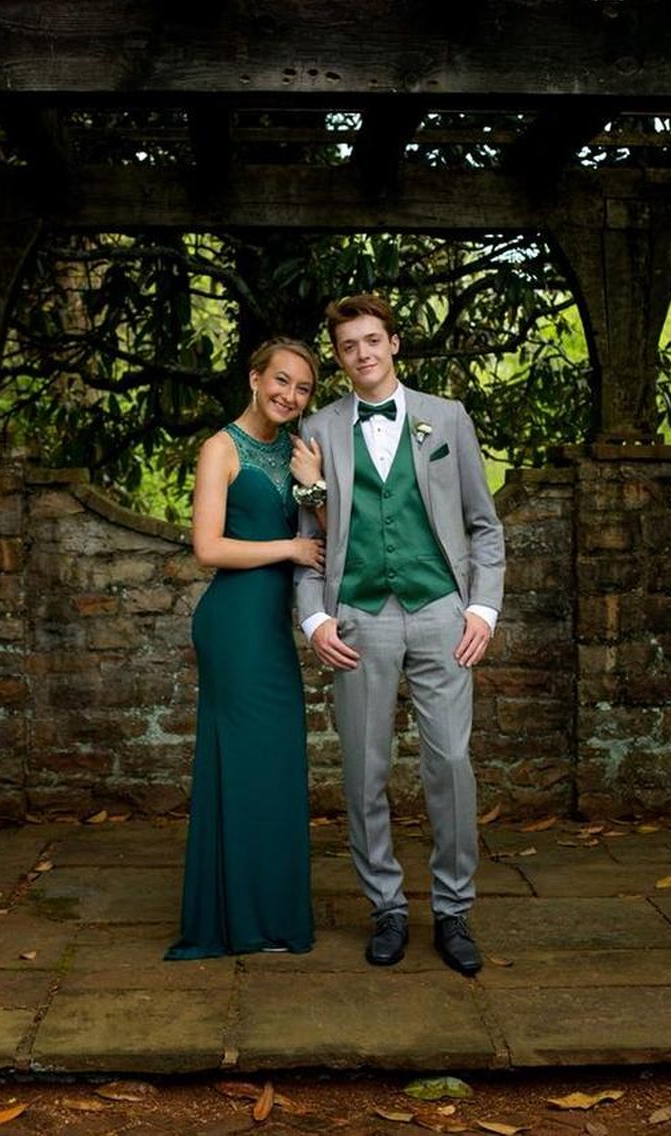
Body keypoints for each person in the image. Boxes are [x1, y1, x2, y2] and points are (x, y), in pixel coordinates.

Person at [295, 294, 504, 975]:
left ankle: (454, 911)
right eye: (349, 345)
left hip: (443, 609)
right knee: (364, 772)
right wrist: (316, 618)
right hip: (359, 614)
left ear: (394, 344)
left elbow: (484, 525)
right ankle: (385, 906)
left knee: (449, 764)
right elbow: (306, 540)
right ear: (339, 356)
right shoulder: (319, 429)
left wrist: (483, 611)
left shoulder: (446, 418)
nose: (363, 353)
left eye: (372, 340)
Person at [165, 337, 325, 959]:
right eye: (280, 381)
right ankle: (238, 921)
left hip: (270, 626)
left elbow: (329, 533)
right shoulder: (220, 448)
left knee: (278, 765)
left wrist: (311, 486)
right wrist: (287, 549)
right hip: (232, 623)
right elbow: (207, 547)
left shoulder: (299, 450)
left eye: (303, 387)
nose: (290, 395)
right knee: (241, 765)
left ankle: (272, 916)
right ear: (255, 379)